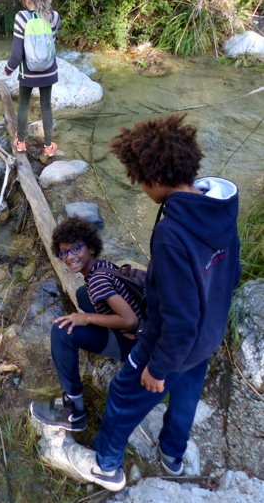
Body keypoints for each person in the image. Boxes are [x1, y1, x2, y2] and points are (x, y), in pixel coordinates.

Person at [41, 114, 241, 493]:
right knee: (186, 394)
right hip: (208, 335)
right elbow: (231, 274)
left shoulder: (171, 233)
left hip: (171, 343)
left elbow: (179, 318)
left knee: (123, 395)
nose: (141, 187)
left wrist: (158, 367)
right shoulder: (220, 208)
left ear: (154, 178)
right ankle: (172, 455)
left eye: (139, 180)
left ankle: (107, 467)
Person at [30, 215, 142, 432]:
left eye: (75, 249)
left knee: (61, 330)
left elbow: (130, 320)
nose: (69, 257)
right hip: (144, 333)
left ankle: (73, 410)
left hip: (135, 346)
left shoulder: (97, 280)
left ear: (91, 247)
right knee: (83, 294)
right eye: (64, 253)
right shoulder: (103, 266)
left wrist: (86, 318)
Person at [4, 0, 61, 157]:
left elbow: (17, 53)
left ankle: (21, 142)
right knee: (46, 106)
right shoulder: (54, 17)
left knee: (23, 104)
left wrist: (8, 69)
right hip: (48, 70)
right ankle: (48, 146)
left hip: (28, 71)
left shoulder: (22, 17)